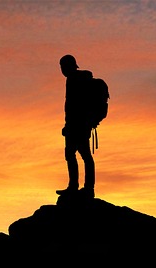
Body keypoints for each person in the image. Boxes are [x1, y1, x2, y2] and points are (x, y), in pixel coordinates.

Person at [56, 54, 95, 199]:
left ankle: (81, 187)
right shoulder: (77, 79)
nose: (61, 70)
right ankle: (82, 187)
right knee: (77, 154)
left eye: (62, 66)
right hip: (80, 125)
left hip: (78, 125)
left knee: (80, 155)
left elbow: (74, 106)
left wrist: (69, 125)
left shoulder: (74, 80)